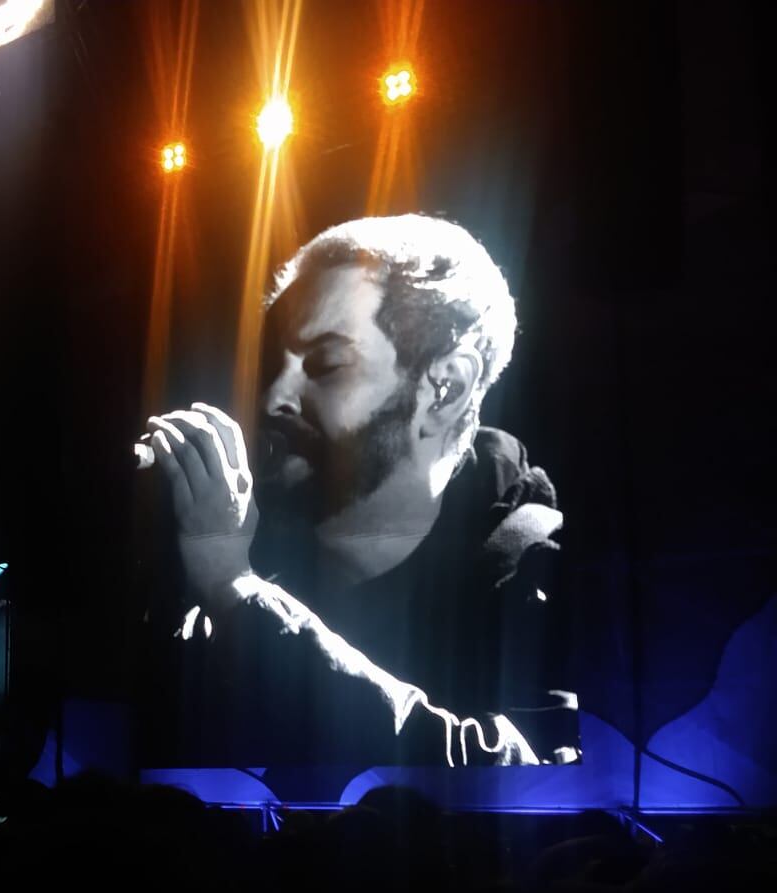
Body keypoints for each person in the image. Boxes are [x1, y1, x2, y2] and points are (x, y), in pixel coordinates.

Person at [139, 215, 577, 766]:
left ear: (446, 387)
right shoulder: (247, 531)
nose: (275, 396)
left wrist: (237, 590)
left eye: (327, 363)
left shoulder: (540, 560)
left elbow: (519, 776)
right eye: (275, 364)